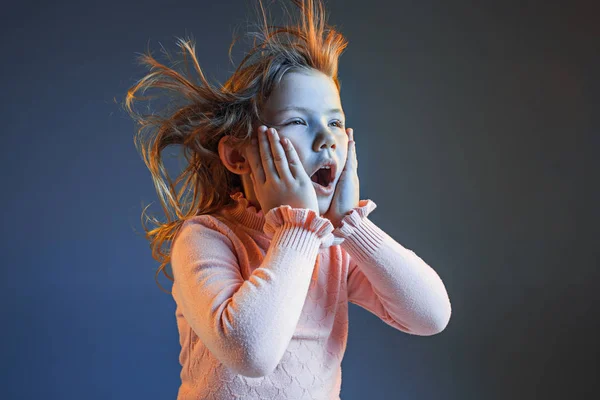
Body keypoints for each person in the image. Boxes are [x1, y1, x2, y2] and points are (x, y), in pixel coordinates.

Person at [124, 1, 452, 398]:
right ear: (238, 156)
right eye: (298, 121)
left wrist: (351, 223)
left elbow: (430, 316)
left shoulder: (332, 246)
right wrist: (297, 227)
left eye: (335, 122)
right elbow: (250, 353)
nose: (326, 137)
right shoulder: (205, 238)